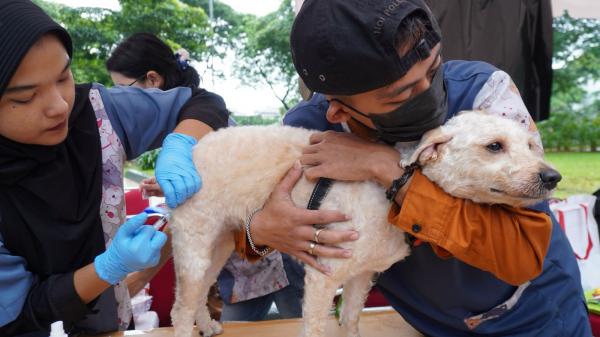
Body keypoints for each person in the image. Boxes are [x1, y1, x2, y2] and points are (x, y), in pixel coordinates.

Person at [233, 0, 592, 336]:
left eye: (433, 71)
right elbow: (243, 225)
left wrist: (388, 169)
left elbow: (523, 252)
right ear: (339, 111)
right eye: (402, 94)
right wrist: (258, 231)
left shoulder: (487, 96)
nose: (430, 95)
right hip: (426, 324)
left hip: (537, 317)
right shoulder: (307, 134)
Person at [0, 1, 227, 336]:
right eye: (25, 97)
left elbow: (203, 102)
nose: (59, 105)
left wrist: (181, 145)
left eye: (63, 76)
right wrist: (110, 266)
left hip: (108, 317)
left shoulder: (97, 111)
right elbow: (21, 312)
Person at [106, 32, 306, 322]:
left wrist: (138, 280)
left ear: (152, 80)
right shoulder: (190, 125)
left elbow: (188, 221)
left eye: (123, 89)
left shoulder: (199, 133)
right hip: (244, 265)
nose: (121, 101)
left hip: (274, 255)